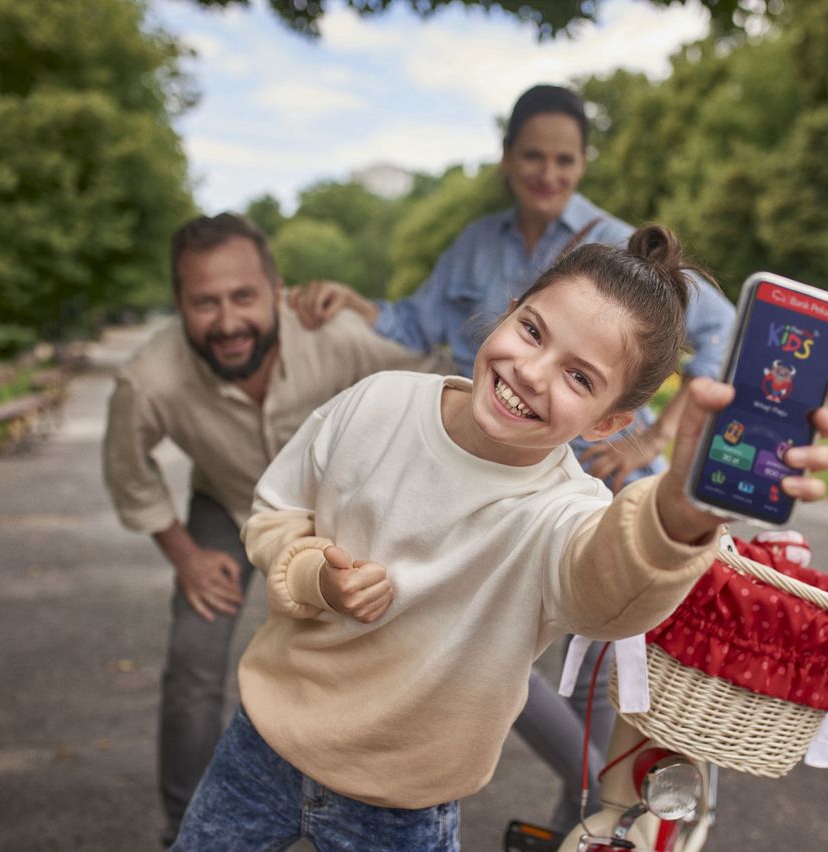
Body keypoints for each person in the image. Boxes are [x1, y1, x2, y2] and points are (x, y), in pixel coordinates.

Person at [173, 225, 828, 851]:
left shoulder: (565, 510)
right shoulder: (376, 402)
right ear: (506, 312)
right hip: (260, 745)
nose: (532, 371)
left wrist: (681, 506)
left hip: (402, 804)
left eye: (578, 377)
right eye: (532, 331)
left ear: (606, 422)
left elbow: (604, 587)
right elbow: (275, 510)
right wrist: (312, 573)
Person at [292, 83, 737, 830]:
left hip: (586, 485)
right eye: (533, 155)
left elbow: (717, 326)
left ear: (584, 162)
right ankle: (598, 805)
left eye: (565, 159)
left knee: (597, 679)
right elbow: (415, 317)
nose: (548, 172)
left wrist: (649, 440)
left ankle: (591, 821)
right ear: (507, 159)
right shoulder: (477, 245)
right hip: (485, 483)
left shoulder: (617, 247)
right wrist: (352, 303)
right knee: (490, 645)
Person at [101, 213, 428, 847]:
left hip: (340, 519)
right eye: (204, 302)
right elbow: (127, 470)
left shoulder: (334, 334)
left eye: (243, 296)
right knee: (194, 664)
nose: (227, 323)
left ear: (276, 289)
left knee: (430, 645)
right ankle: (184, 830)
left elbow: (428, 359)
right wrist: (184, 554)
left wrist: (367, 305)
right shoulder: (147, 378)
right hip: (226, 508)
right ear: (179, 305)